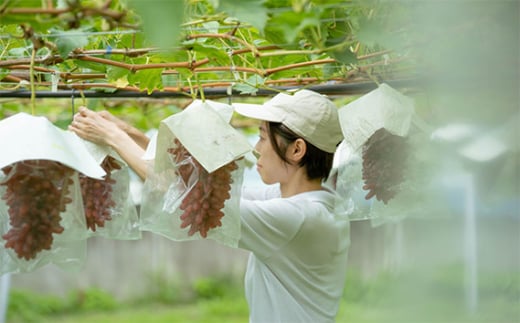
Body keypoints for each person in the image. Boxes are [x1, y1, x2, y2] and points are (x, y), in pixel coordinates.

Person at [69, 89, 350, 323]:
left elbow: (189, 198)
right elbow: (193, 184)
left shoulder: (298, 218)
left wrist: (113, 138)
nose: (256, 148)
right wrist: (129, 133)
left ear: (297, 149)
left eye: (263, 137)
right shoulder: (311, 204)